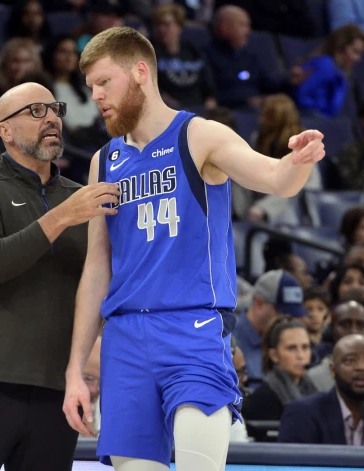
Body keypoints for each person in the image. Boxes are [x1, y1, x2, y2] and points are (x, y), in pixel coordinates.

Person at [62, 26, 325, 471]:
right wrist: (74, 370)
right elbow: (97, 266)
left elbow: (275, 179)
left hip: (193, 328)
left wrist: (297, 161)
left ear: (141, 72)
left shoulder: (199, 136)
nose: (98, 96)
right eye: (91, 87)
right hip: (124, 339)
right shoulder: (104, 161)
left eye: (105, 82)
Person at [0, 81, 120, 471]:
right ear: (4, 130)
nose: (51, 118)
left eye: (54, 109)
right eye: (36, 111)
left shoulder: (82, 197)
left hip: (57, 387)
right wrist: (63, 216)